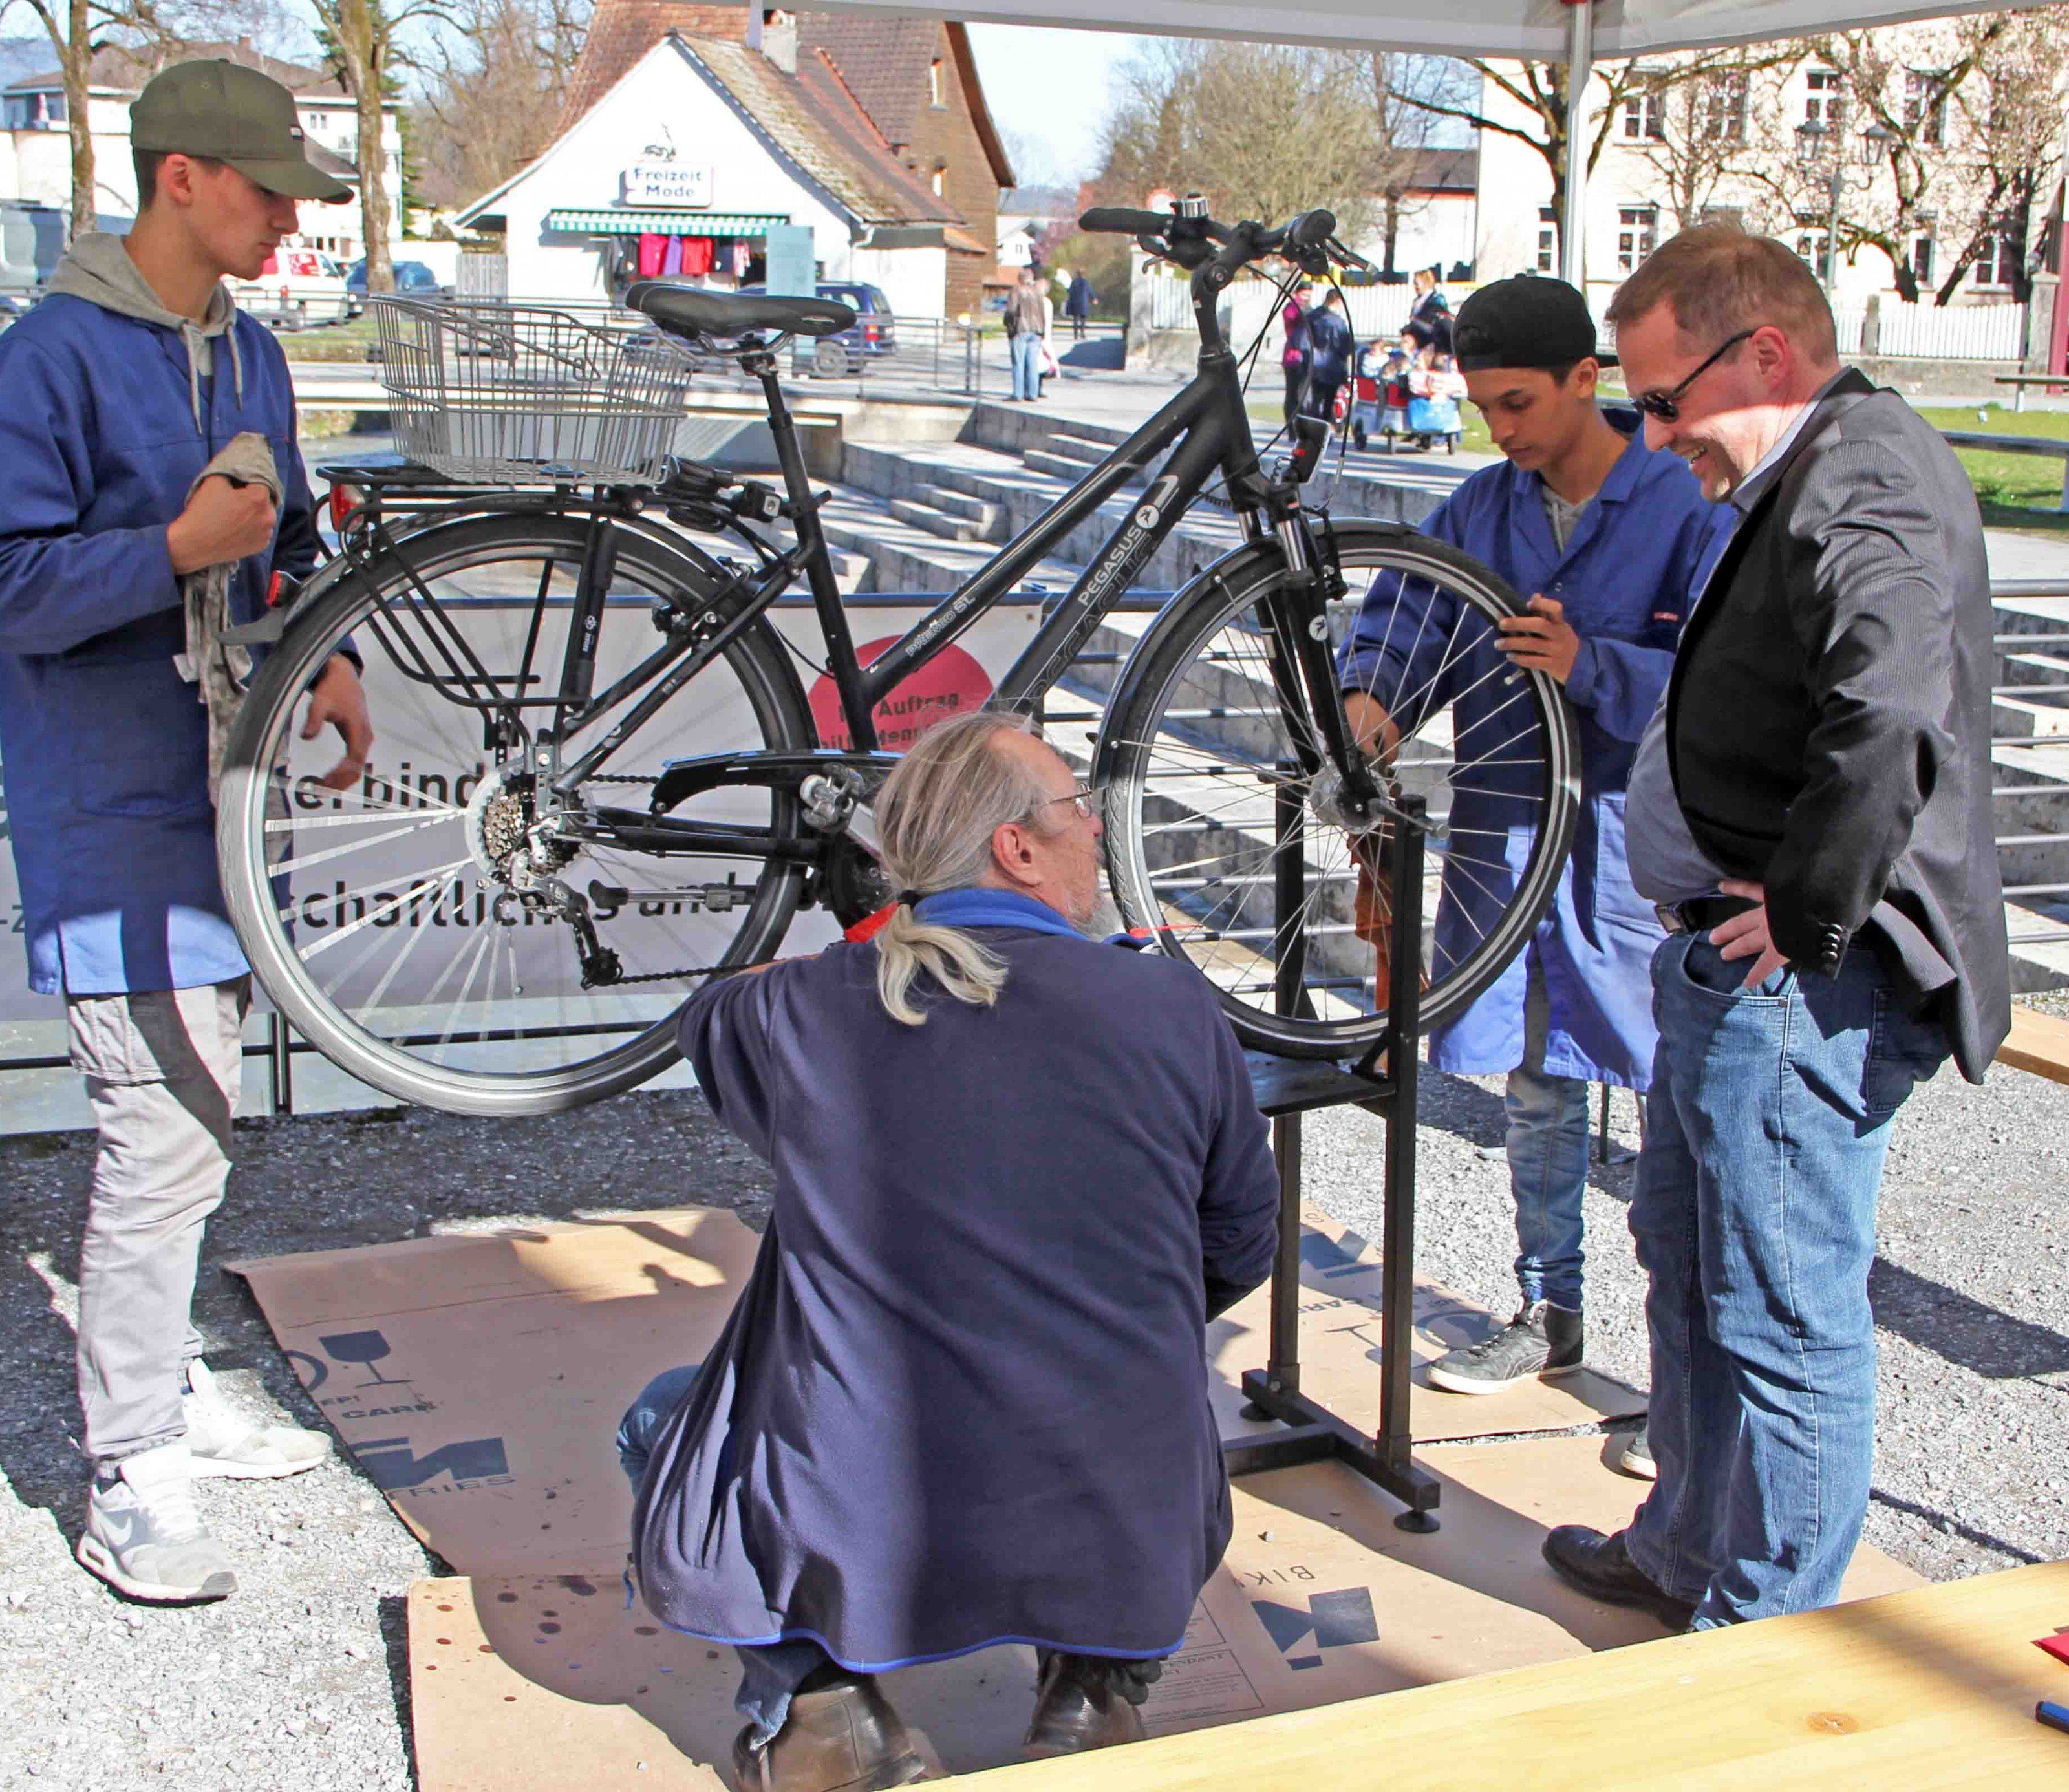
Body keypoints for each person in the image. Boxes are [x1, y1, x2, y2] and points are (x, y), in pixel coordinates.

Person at [622, 711, 1279, 1791]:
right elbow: (1239, 1241)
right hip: (1117, 1509)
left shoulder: (795, 1010)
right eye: (1078, 809)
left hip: (862, 1516)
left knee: (658, 1419)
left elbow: (712, 1018)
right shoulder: (1168, 1002)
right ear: (1018, 847)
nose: (1098, 838)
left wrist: (880, 935)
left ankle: (829, 1711)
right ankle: (1092, 1691)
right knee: (1155, 1419)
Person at [1541, 224, 2010, 1630]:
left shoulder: (1866, 472)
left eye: (1664, 401)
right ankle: (1685, 1544)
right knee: (1687, 1268)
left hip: (1803, 986)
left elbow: (1891, 713)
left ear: (1765, 352)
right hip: (1731, 967)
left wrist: (1806, 915)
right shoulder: (1803, 462)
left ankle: (1763, 1635)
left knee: (1780, 1314)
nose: (1651, 434)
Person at [0, 59, 373, 1604]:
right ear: (178, 180)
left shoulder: (257, 353)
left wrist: (328, 650)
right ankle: (131, 1466)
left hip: (222, 804)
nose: (290, 214)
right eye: (266, 186)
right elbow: (12, 590)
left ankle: (160, 1387)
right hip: (107, 812)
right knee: (161, 1133)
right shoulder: (48, 358)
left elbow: (278, 547)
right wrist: (168, 552)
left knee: (194, 1120)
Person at [1336, 277, 1732, 1464]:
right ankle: (1546, 1312)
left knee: (1678, 1112)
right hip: (1508, 844)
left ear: (1584, 381)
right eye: (1481, 407)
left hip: (1631, 848)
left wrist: (1592, 662)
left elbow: (1727, 688)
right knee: (1535, 1085)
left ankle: (1687, 1385)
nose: (1499, 430)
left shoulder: (1683, 504)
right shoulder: (1476, 507)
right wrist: (1367, 713)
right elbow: (1402, 625)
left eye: (1517, 403)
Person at [1300, 288, 1354, 423]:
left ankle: (1313, 429)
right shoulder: (1338, 322)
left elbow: (1304, 342)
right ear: (1337, 301)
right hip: (1333, 365)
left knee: (1315, 400)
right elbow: (1345, 346)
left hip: (1315, 364)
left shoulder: (1312, 317)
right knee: (1329, 402)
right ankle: (1325, 430)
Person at [1005, 266, 1045, 402]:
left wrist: (1009, 325)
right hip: (1036, 331)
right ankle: (1032, 394)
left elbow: (1011, 311)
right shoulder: (1038, 292)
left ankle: (1018, 394)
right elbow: (1042, 312)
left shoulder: (1016, 290)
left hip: (1020, 330)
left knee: (1019, 363)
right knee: (1033, 363)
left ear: (1020, 279)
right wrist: (1043, 331)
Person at [1280, 279, 1314, 426]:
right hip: (1293, 357)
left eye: (1309, 296)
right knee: (1293, 394)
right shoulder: (1292, 307)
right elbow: (1291, 316)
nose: (1306, 299)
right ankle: (1291, 426)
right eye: (1303, 295)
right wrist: (1299, 303)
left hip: (1305, 356)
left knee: (1303, 395)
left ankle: (1300, 424)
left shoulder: (1308, 308)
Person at [1409, 266, 1452, 355]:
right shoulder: (1416, 302)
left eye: (1417, 283)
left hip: (1434, 341)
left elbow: (1439, 319)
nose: (1415, 286)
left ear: (1426, 283)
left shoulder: (1437, 299)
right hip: (1419, 340)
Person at [1065, 268, 1094, 339]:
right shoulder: (1086, 282)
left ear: (1077, 274)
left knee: (1075, 319)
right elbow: (1090, 291)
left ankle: (1076, 334)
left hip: (1075, 303)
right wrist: (1093, 298)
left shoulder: (1074, 282)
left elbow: (1070, 291)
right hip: (1083, 303)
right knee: (1083, 319)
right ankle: (1082, 333)